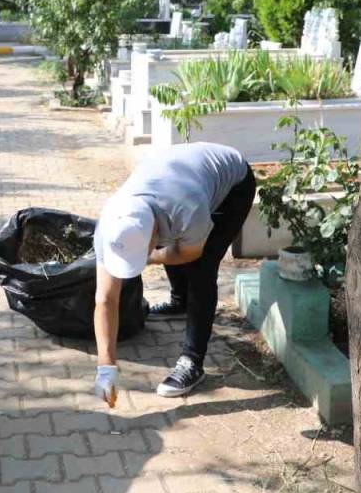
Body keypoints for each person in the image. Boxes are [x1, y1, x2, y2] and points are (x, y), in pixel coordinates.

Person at [91, 142, 255, 402]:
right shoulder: (109, 226)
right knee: (176, 246)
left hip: (234, 181)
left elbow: (189, 253)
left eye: (146, 248)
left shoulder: (187, 209)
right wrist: (106, 368)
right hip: (177, 176)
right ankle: (179, 303)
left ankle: (192, 361)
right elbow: (105, 299)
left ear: (154, 231)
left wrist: (153, 258)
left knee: (201, 270)